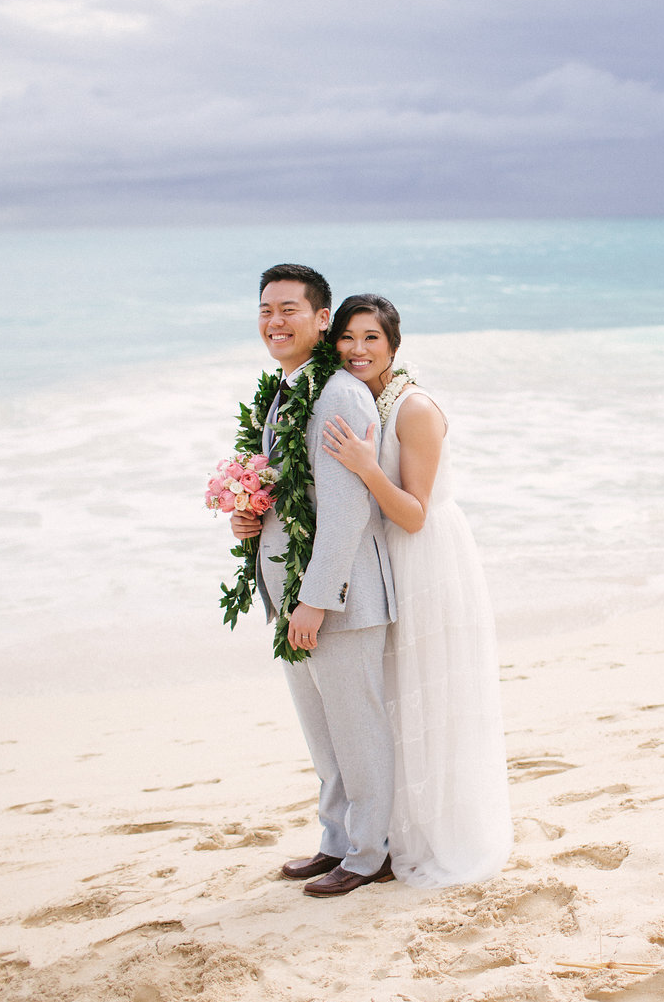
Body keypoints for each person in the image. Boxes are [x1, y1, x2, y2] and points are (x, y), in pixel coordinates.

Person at [321, 294, 512, 887]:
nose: (357, 350)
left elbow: (414, 514)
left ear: (394, 346)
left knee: (430, 695)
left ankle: (437, 833)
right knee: (394, 701)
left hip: (425, 557)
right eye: (347, 338)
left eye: (371, 338)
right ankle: (384, 831)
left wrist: (364, 465)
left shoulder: (414, 409)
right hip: (390, 558)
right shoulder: (364, 398)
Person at [230, 265, 400, 898]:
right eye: (266, 309)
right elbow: (289, 494)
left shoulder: (337, 393)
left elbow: (349, 508)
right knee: (322, 730)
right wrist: (250, 517)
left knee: (357, 726)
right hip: (292, 594)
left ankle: (371, 851)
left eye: (290, 310)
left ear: (321, 320)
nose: (276, 321)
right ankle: (336, 842)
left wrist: (315, 601)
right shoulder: (282, 390)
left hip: (337, 598)